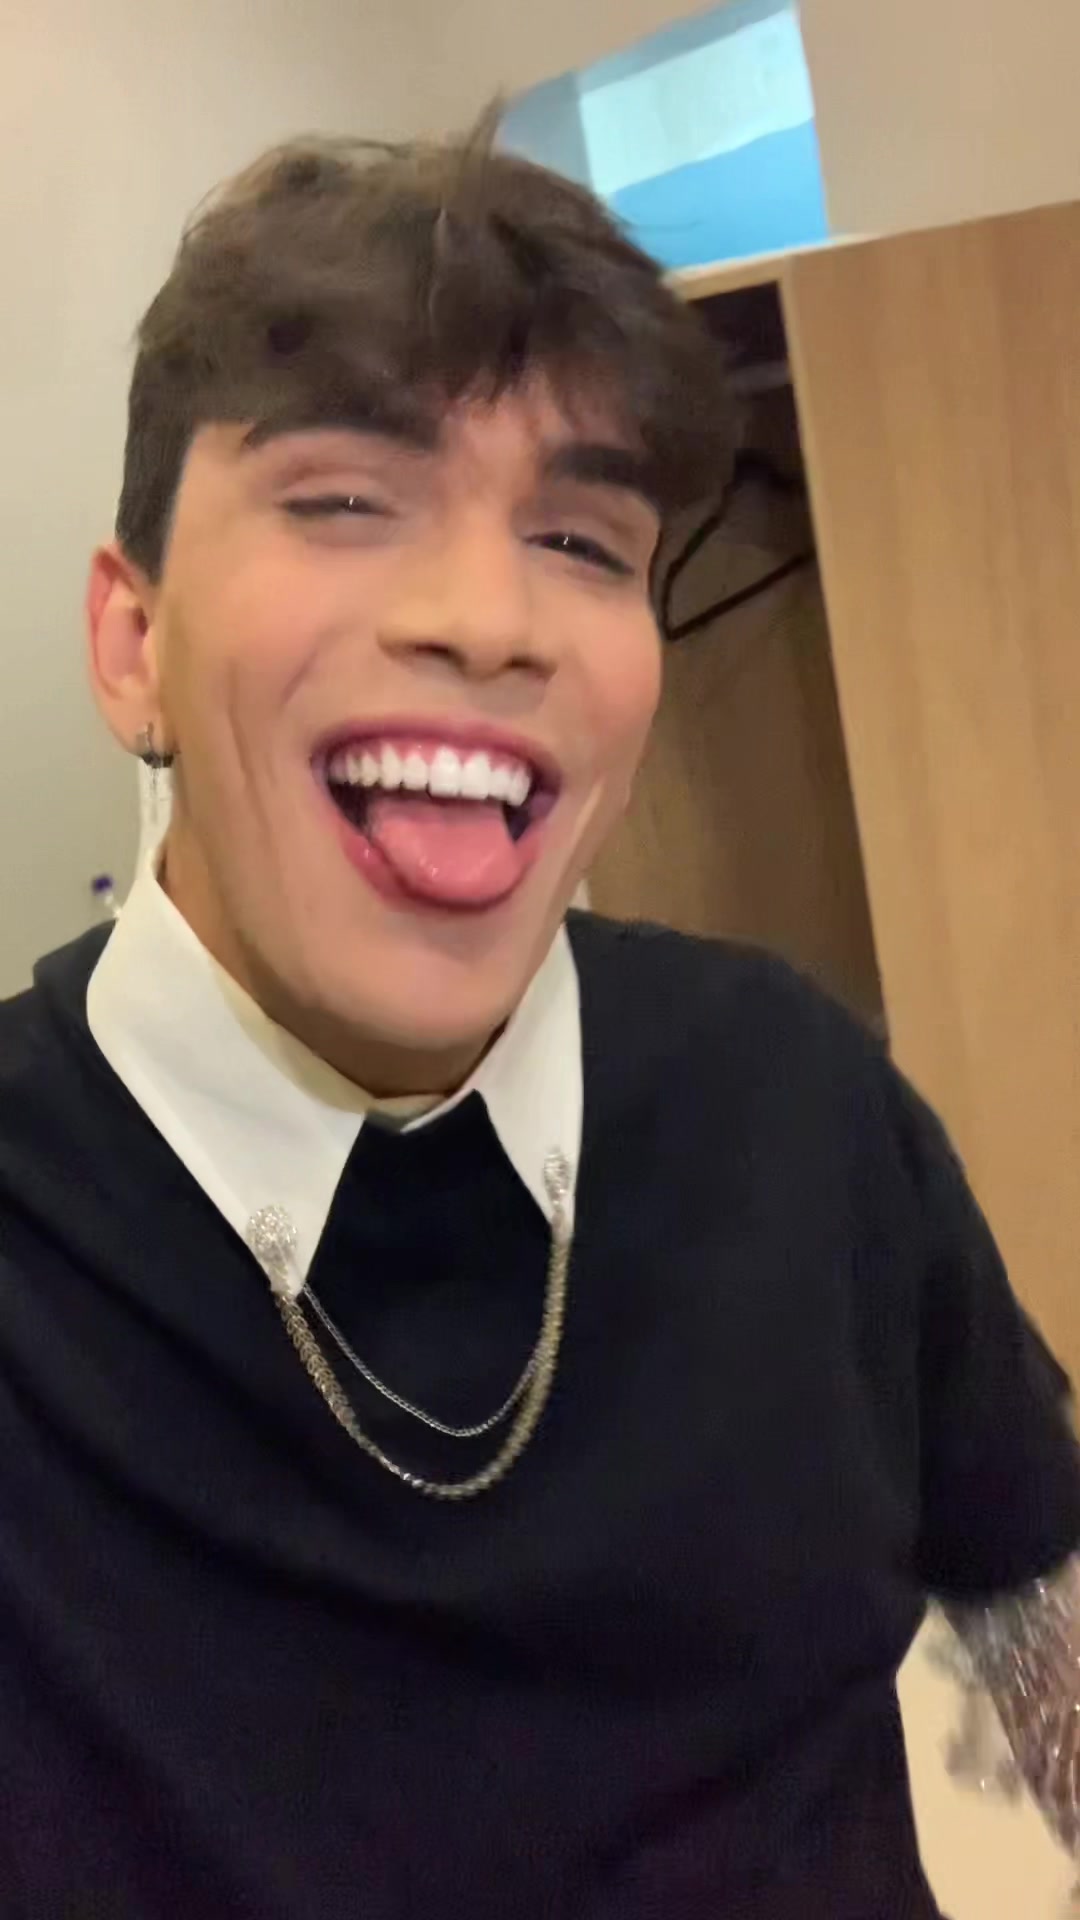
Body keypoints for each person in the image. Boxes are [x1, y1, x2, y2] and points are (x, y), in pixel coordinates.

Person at [1, 118, 1078, 1920]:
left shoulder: (796, 1100)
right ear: (133, 643)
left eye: (582, 539)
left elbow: (1044, 1635)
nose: (492, 621)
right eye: (345, 500)